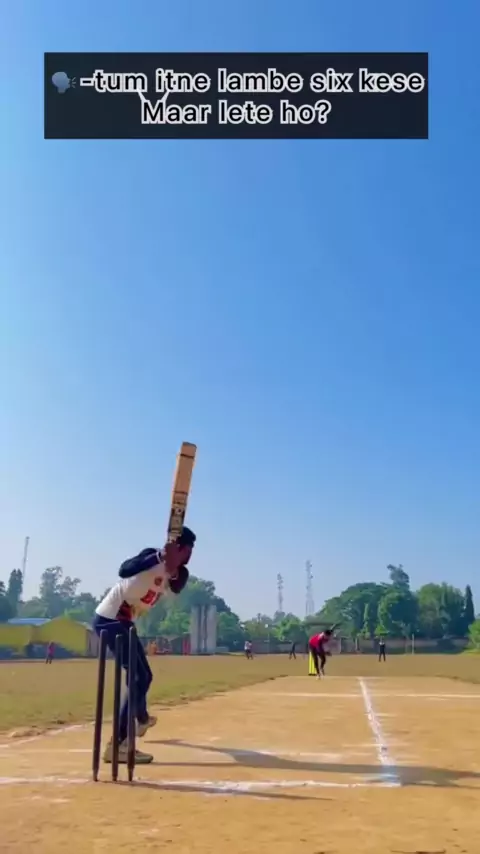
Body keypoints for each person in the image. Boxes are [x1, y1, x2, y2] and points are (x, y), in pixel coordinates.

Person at [93, 526, 195, 766]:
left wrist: (172, 566)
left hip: (125, 623)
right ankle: (118, 744)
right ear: (180, 547)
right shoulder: (151, 555)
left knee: (143, 676)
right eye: (188, 550)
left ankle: (140, 718)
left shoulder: (180, 573)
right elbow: (124, 570)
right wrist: (160, 556)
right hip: (110, 619)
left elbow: (178, 585)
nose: (190, 556)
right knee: (139, 677)